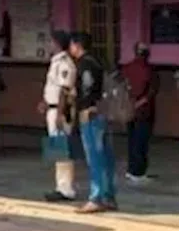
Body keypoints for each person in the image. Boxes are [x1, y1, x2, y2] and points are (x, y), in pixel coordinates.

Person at [68, 32, 117, 213]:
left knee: (95, 157)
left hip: (90, 114)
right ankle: (108, 196)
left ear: (77, 45)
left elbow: (87, 87)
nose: (70, 48)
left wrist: (85, 106)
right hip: (103, 112)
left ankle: (96, 197)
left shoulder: (85, 64)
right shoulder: (100, 61)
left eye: (72, 45)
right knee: (106, 157)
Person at [39, 30, 77, 202]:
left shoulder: (65, 64)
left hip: (60, 111)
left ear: (57, 43)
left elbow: (64, 91)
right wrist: (45, 102)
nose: (49, 45)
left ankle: (66, 188)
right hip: (52, 109)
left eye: (51, 41)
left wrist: (60, 114)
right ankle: (60, 186)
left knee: (62, 150)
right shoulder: (55, 62)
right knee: (57, 150)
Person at [121, 42, 158, 182]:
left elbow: (121, 88)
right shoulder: (149, 70)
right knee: (141, 142)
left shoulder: (126, 68)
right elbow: (151, 92)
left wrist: (129, 105)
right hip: (144, 112)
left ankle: (131, 170)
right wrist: (139, 103)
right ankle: (138, 172)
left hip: (129, 110)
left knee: (131, 141)